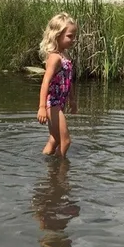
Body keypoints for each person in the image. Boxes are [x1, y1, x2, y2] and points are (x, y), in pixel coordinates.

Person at [37, 12, 77, 157]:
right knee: (66, 141)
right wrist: (42, 107)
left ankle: (45, 162)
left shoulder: (65, 55)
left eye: (74, 36)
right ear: (57, 35)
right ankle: (60, 168)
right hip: (52, 103)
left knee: (54, 139)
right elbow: (45, 82)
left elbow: (68, 79)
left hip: (60, 102)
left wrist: (72, 99)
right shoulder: (54, 58)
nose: (73, 40)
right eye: (70, 36)